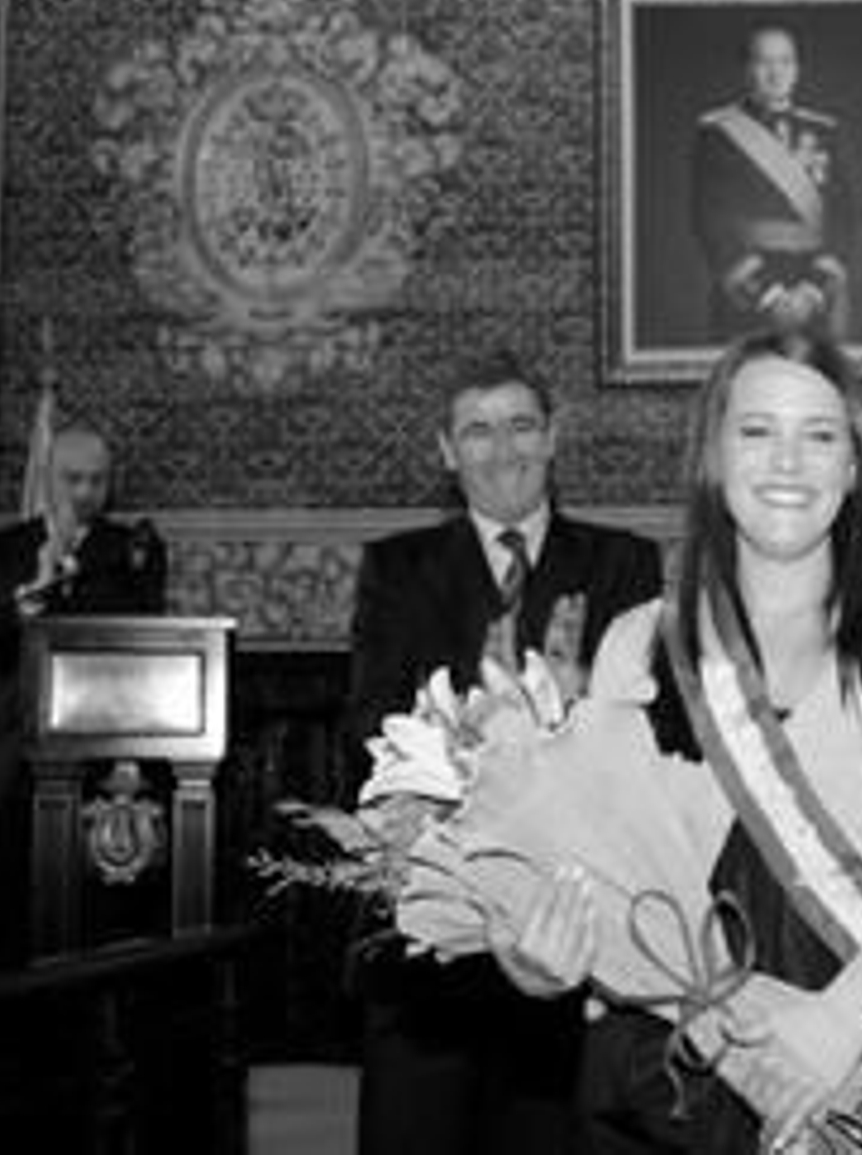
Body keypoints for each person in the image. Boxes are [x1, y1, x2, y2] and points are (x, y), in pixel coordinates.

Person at [507, 331, 862, 1153]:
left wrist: (837, 1021)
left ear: (851, 467)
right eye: (757, 430)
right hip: (670, 1072)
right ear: (714, 454)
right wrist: (538, 960)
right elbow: (606, 879)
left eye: (819, 435)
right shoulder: (640, 639)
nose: (787, 462)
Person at [346, 349, 666, 1155]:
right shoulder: (397, 567)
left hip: (573, 933)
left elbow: (652, 738)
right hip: (435, 934)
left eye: (522, 425)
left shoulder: (625, 563)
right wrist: (479, 738)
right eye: (477, 431)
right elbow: (367, 723)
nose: (503, 449)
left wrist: (574, 707)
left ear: (553, 437)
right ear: (446, 451)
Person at [0, 425, 166, 965]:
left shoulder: (131, 550)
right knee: (1, 885)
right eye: (73, 480)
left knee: (90, 902)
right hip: (6, 745)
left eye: (97, 481)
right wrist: (25, 605)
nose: (86, 492)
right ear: (47, 479)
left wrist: (71, 573)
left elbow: (143, 629)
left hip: (96, 747)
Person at [691, 26, 855, 344]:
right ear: (746, 70)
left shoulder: (825, 130)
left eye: (785, 62)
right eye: (764, 62)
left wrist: (813, 291)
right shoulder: (718, 132)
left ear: (796, 70)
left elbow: (843, 215)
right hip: (749, 291)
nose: (775, 72)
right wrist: (768, 296)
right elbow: (709, 219)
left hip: (814, 286)